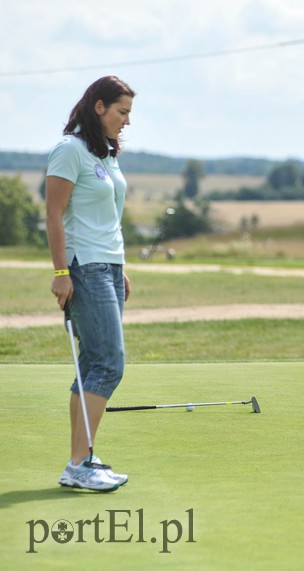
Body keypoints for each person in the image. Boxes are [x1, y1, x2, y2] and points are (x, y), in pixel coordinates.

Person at [46, 76, 136, 491]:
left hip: (109, 268)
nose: (127, 121)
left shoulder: (105, 154)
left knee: (92, 365)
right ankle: (80, 463)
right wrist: (62, 272)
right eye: (122, 112)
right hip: (85, 268)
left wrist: (121, 268)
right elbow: (53, 215)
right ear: (98, 107)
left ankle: (82, 460)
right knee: (107, 363)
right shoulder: (70, 150)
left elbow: (107, 218)